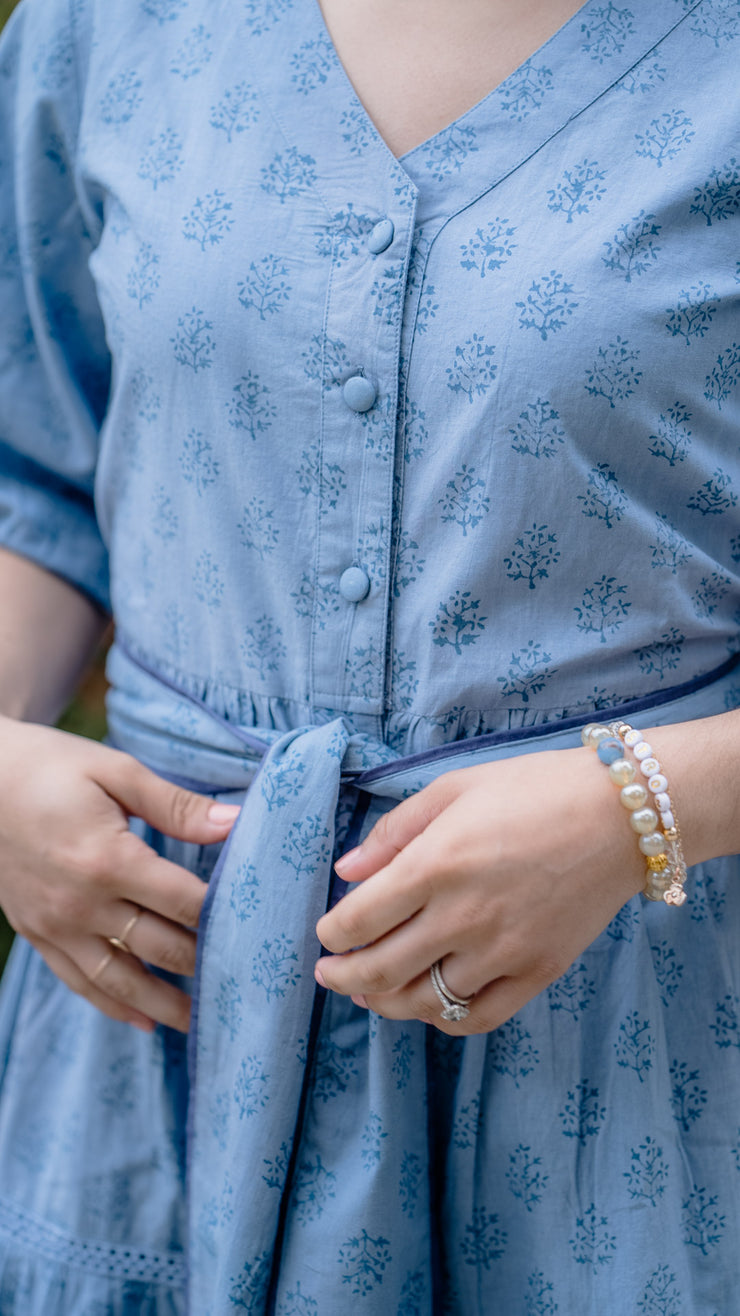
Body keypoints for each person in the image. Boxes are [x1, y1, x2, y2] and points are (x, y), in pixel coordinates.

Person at [0, 0, 738, 1310]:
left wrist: (643, 809)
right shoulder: (107, 26)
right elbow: (36, 472)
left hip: (630, 1028)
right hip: (159, 1014)